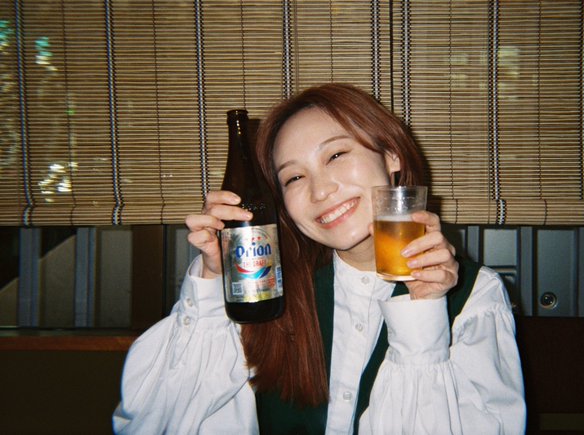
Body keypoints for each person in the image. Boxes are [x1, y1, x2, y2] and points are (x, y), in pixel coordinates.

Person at [113, 83, 526, 434]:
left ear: (391, 155)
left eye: (336, 156)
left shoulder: (475, 296)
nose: (320, 190)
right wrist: (211, 281)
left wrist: (424, 311)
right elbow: (152, 423)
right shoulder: (266, 290)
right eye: (294, 177)